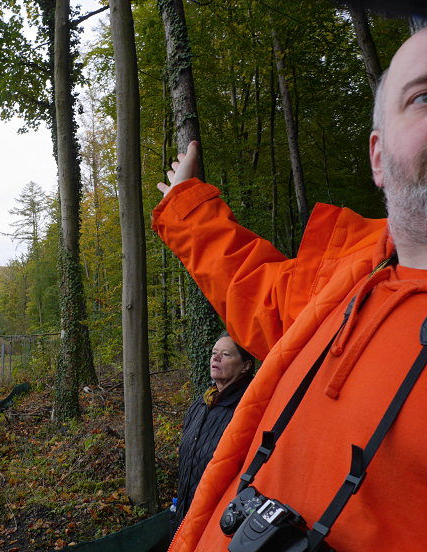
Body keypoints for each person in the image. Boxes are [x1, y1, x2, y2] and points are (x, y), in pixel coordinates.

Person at [153, 28, 427, 551]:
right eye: (425, 96)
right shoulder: (348, 277)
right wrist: (187, 204)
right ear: (377, 156)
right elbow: (252, 285)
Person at [171, 332, 254, 533]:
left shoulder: (248, 410)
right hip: (184, 518)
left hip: (220, 526)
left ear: (246, 366)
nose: (215, 358)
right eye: (214, 353)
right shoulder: (199, 406)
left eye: (225, 354)